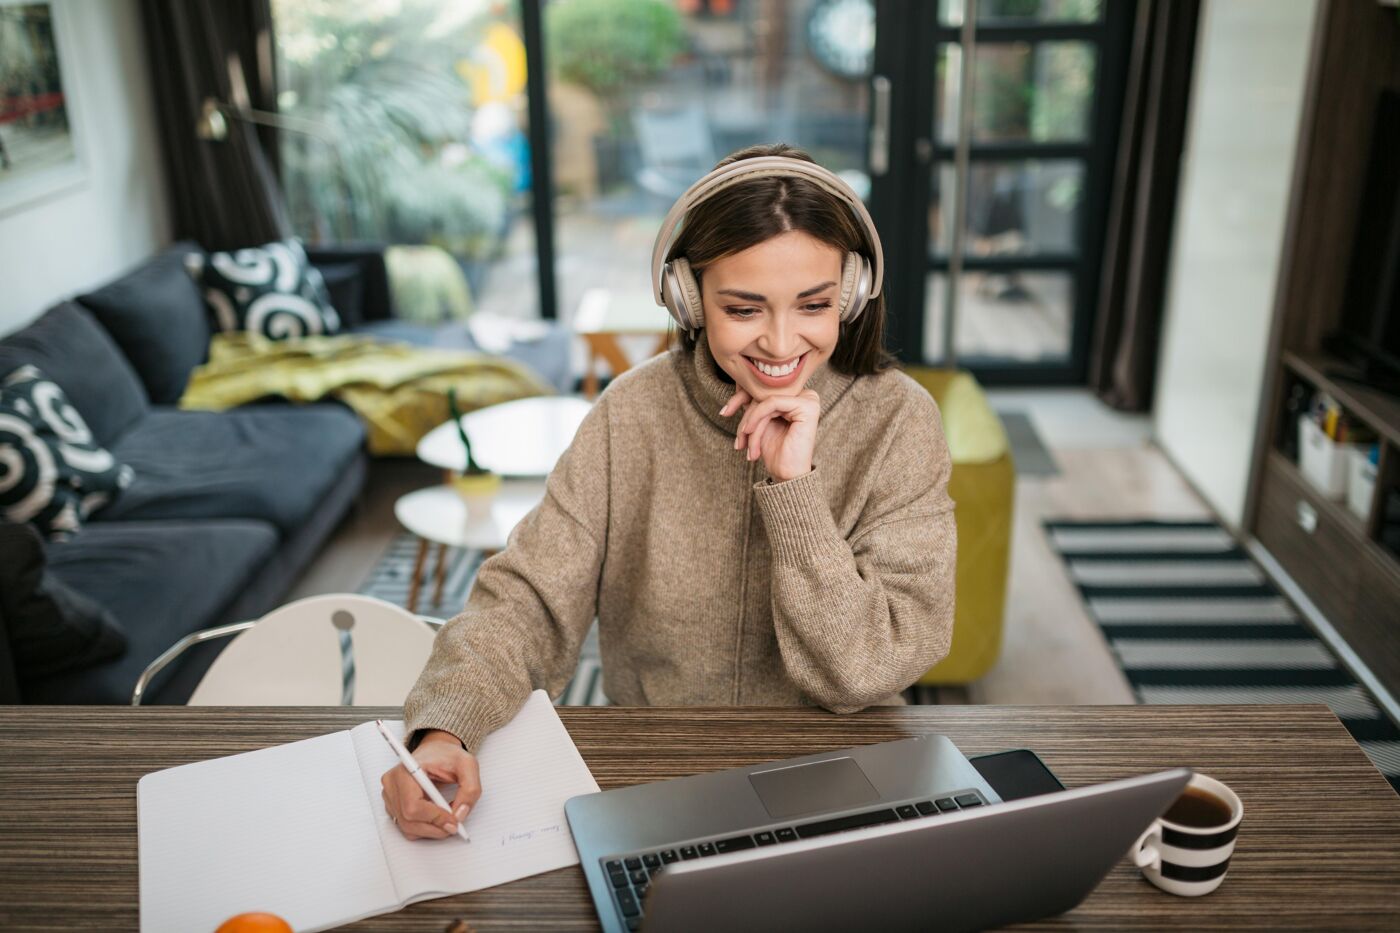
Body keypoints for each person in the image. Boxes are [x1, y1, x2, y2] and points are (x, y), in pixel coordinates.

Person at [380, 143, 957, 841]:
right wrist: (447, 725)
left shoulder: (899, 420)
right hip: (659, 768)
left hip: (849, 772)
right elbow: (527, 596)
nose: (781, 341)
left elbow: (870, 666)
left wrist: (795, 489)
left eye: (814, 304)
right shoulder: (631, 413)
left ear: (854, 293)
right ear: (687, 297)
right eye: (744, 308)